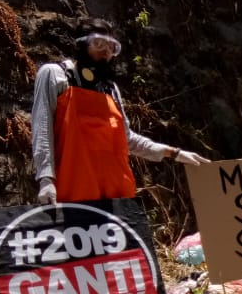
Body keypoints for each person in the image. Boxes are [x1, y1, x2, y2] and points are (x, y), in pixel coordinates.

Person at [31, 18, 212, 205]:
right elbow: (41, 129)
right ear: (81, 43)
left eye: (111, 47)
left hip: (115, 197)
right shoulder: (55, 75)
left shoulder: (110, 90)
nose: (106, 52)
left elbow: (127, 139)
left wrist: (173, 153)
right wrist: (46, 179)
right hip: (73, 193)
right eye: (99, 43)